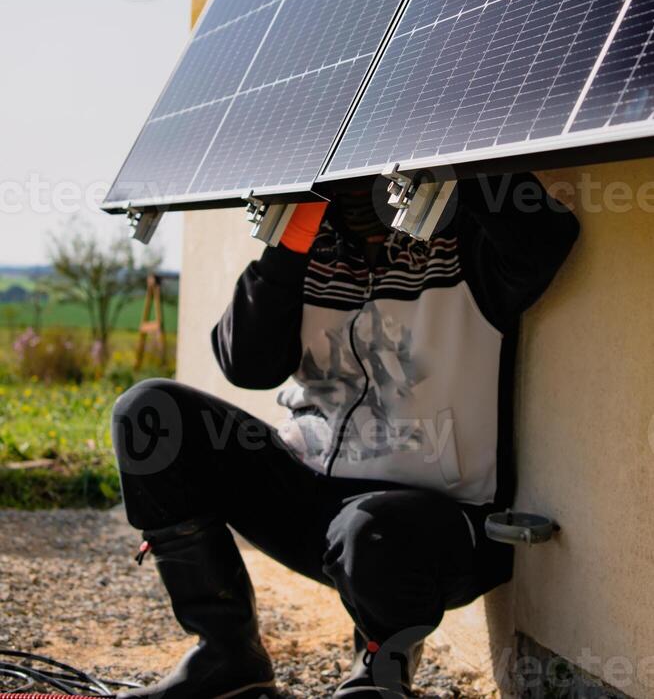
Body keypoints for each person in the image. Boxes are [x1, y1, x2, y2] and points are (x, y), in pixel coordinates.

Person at [112, 172, 579, 699]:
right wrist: (290, 241)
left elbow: (546, 237)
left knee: (371, 529)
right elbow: (247, 364)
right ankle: (226, 657)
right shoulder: (308, 249)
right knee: (151, 414)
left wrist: (448, 150)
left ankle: (381, 669)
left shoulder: (467, 249)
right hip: (311, 499)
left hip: (429, 527)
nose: (361, 192)